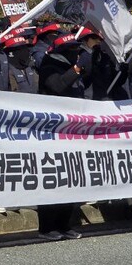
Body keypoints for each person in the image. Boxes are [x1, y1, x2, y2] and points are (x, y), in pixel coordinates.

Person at [36, 33, 86, 241]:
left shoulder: (73, 68)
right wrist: (75, 70)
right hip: (53, 133)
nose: (76, 54)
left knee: (72, 178)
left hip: (73, 132)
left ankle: (65, 223)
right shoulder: (49, 66)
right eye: (72, 50)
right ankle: (47, 227)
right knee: (52, 179)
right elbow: (57, 86)